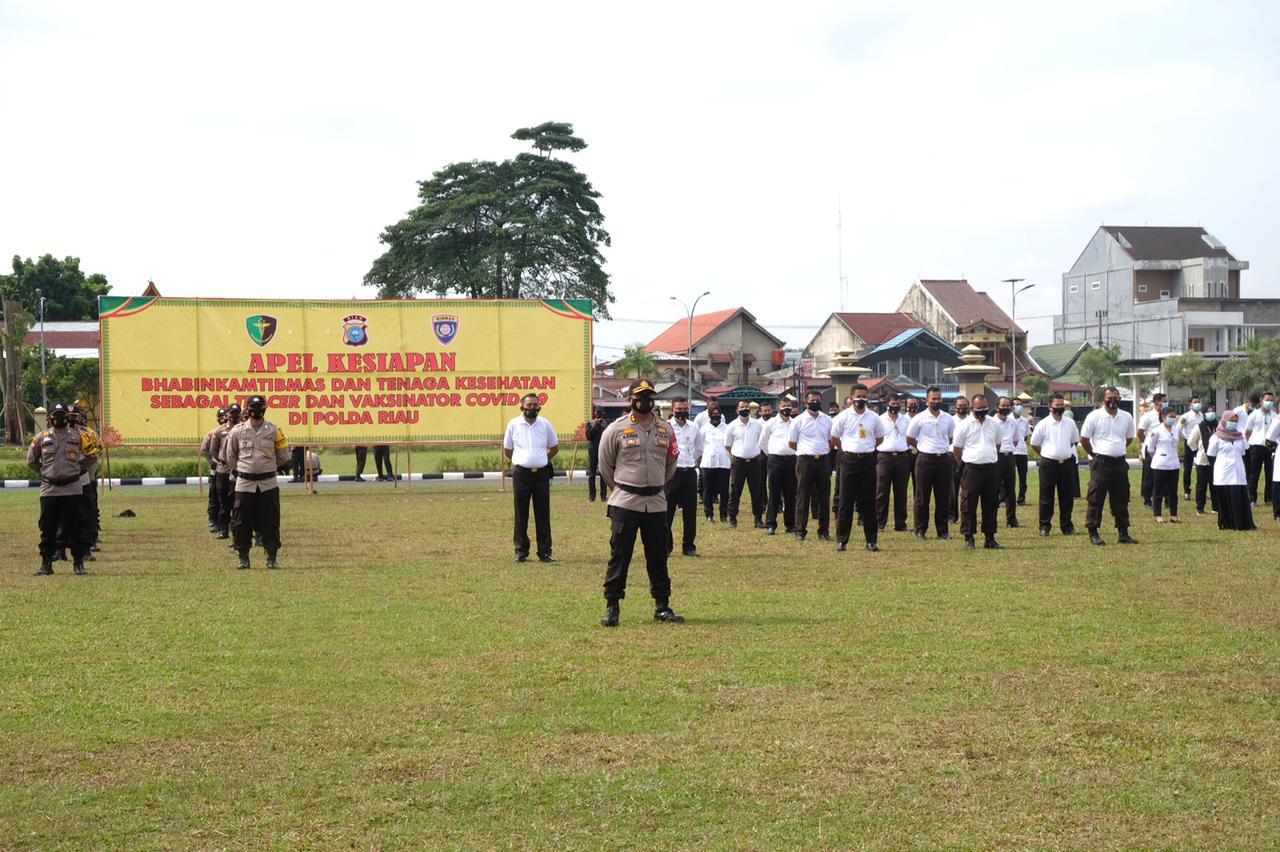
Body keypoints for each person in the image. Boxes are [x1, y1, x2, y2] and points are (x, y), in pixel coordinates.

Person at [598, 380, 683, 627]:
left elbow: (670, 464)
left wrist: (654, 485)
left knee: (658, 555)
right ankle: (612, 606)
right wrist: (624, 488)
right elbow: (606, 465)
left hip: (656, 502)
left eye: (649, 396)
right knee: (620, 554)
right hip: (626, 501)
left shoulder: (665, 429)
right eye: (640, 396)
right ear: (630, 400)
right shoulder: (615, 430)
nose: (644, 400)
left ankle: (662, 606)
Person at [28, 402, 99, 575]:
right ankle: (46, 564)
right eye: (55, 414)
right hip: (49, 489)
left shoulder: (79, 436)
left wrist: (78, 467)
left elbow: (92, 456)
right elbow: (31, 461)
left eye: (62, 414)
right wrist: (47, 472)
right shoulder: (40, 438)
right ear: (49, 417)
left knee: (76, 526)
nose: (59, 417)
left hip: (73, 488)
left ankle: (78, 564)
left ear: (67, 417)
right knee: (48, 527)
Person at [226, 395, 290, 569]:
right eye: (253, 407)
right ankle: (243, 558)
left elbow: (284, 455)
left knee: (271, 520)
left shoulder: (274, 430)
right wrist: (246, 469)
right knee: (241, 521)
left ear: (265, 409)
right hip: (245, 483)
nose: (256, 410)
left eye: (260, 406)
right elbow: (230, 456)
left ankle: (271, 558)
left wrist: (266, 468)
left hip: (268, 483)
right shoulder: (237, 431)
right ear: (247, 410)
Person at [502, 393, 559, 563]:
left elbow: (554, 447)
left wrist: (542, 460)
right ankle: (521, 550)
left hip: (541, 474)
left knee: (543, 513)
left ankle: (545, 552)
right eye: (529, 405)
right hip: (522, 475)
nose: (532, 408)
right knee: (521, 513)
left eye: (535, 405)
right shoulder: (514, 424)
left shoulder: (545, 424)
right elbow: (507, 450)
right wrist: (522, 460)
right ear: (522, 407)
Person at [1080, 386, 1138, 546]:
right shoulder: (1094, 416)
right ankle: (1093, 532)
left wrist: (1117, 449)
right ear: (1102, 400)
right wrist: (1094, 454)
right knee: (1096, 498)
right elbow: (1084, 439)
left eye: (1116, 398)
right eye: (1109, 398)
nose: (1113, 401)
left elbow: (1129, 438)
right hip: (1101, 463)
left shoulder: (1126, 416)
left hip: (1119, 462)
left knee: (1121, 498)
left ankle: (1123, 532)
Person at [830, 383, 884, 551]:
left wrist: (866, 447)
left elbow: (879, 439)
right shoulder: (842, 417)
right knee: (845, 501)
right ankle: (842, 540)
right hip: (849, 461)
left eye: (864, 396)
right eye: (858, 396)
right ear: (852, 397)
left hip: (868, 461)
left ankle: (871, 541)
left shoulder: (874, 417)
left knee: (868, 502)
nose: (861, 399)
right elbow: (834, 439)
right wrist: (848, 449)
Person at [952, 394, 1003, 549]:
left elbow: (998, 445)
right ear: (972, 408)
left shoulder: (994, 423)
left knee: (991, 504)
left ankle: (990, 538)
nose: (982, 411)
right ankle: (969, 538)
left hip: (990, 469)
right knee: (968, 504)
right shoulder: (964, 425)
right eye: (978, 408)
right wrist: (964, 464)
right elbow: (957, 449)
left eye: (984, 408)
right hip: (971, 469)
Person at [906, 386, 954, 540]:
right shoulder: (919, 418)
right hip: (925, 459)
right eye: (933, 399)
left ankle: (942, 530)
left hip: (943, 460)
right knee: (922, 497)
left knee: (943, 496)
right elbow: (910, 438)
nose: (936, 401)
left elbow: (951, 437)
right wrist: (922, 448)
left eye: (938, 398)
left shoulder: (948, 418)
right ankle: (920, 530)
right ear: (927, 400)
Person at [1030, 393, 1080, 536]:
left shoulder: (1070, 423)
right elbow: (1034, 444)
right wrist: (1047, 454)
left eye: (1062, 405)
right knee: (1046, 497)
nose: (1060, 408)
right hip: (1048, 464)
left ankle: (1067, 526)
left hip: (1066, 464)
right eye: (1057, 405)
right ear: (1049, 406)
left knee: (1067, 497)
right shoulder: (1043, 424)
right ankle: (1045, 526)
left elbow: (1073, 441)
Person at [790, 390, 834, 542]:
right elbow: (792, 442)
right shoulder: (799, 420)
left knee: (824, 497)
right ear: (805, 403)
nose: (815, 403)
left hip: (823, 460)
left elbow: (831, 440)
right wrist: (805, 452)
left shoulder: (827, 420)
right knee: (803, 496)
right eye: (812, 400)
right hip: (805, 461)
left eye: (817, 400)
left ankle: (824, 530)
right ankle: (800, 530)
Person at [665, 397, 702, 557]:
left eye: (684, 408)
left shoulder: (694, 427)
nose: (682, 411)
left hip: (689, 472)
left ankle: (689, 546)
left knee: (690, 511)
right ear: (672, 410)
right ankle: (666, 546)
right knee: (667, 511)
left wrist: (689, 461)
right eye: (678, 409)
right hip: (672, 474)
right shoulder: (666, 427)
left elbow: (699, 448)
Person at [1207, 410, 1255, 531]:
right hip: (1223, 472)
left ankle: (1242, 524)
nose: (1233, 423)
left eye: (1235, 421)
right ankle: (1227, 523)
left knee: (1239, 497)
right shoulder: (1216, 437)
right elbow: (1211, 454)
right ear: (1224, 421)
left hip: (1238, 471)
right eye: (1231, 421)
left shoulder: (1240, 437)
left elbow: (1244, 451)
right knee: (1226, 497)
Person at [725, 401, 766, 528]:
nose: (745, 409)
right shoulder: (732, 426)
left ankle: (758, 519)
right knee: (735, 491)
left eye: (747, 407)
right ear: (737, 410)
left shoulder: (757, 425)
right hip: (739, 462)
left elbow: (762, 441)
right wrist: (739, 454)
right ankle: (732, 518)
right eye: (742, 407)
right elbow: (728, 445)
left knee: (757, 491)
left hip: (754, 461)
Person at [876, 394, 912, 533]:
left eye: (898, 403)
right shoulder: (880, 420)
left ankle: (900, 523)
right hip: (884, 457)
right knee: (881, 491)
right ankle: (880, 523)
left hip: (902, 457)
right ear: (887, 404)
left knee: (901, 491)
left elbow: (910, 437)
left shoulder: (905, 420)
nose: (896, 406)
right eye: (893, 403)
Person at [761, 399, 797, 535]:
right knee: (774, 493)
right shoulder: (771, 423)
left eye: (789, 406)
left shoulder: (795, 423)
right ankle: (771, 523)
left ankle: (791, 524)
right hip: (775, 460)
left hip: (792, 460)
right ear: (778, 408)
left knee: (790, 494)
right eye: (784, 406)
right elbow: (763, 442)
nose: (787, 408)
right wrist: (772, 454)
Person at [1144, 406, 1182, 523]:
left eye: (1174, 417)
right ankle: (1158, 515)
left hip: (1174, 464)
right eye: (1170, 417)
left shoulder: (1176, 429)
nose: (1172, 419)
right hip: (1160, 465)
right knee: (1158, 491)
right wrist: (1158, 457)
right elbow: (1150, 448)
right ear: (1163, 417)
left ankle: (1174, 515)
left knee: (1173, 491)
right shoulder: (1156, 431)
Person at [994, 397, 1021, 528]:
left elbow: (1015, 440)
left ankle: (1011, 519)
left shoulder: (1012, 422)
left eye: (1007, 405)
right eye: (1002, 405)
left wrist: (1008, 450)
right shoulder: (991, 422)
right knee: (993, 489)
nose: (1005, 408)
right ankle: (991, 518)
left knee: (1011, 489)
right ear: (996, 407)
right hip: (996, 457)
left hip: (1009, 456)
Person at [1244, 391, 1275, 505]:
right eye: (1267, 400)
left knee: (1270, 473)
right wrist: (1246, 446)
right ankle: (1252, 498)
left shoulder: (1274, 415)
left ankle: (1269, 498)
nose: (1269, 402)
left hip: (1270, 448)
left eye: (1271, 401)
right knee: (1254, 473)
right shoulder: (1254, 414)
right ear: (1262, 401)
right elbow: (1247, 431)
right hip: (1256, 447)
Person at [699, 408, 731, 522]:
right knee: (707, 490)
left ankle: (723, 514)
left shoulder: (727, 428)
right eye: (713, 414)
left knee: (724, 491)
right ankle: (709, 514)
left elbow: (730, 444)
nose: (716, 416)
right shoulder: (703, 429)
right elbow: (699, 445)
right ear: (709, 415)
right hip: (708, 463)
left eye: (718, 414)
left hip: (723, 463)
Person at [1136, 392, 1166, 508]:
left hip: (1163, 448)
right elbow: (1140, 432)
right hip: (1150, 448)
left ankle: (1166, 497)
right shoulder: (1148, 416)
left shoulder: (1167, 415)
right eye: (1164, 400)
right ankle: (1147, 499)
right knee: (1148, 474)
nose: (1165, 403)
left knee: (1165, 473)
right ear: (1158, 402)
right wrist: (1146, 441)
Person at [1187, 404, 1219, 516]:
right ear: (1204, 414)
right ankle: (1200, 508)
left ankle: (1216, 507)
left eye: (1213, 411)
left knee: (1215, 484)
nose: (1211, 413)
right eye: (1209, 411)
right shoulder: (1199, 427)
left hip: (1216, 460)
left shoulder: (1218, 426)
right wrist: (1196, 451)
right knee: (1202, 485)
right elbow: (1190, 442)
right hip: (1203, 460)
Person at [215, 403, 240, 539]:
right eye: (232, 413)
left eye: (237, 413)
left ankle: (237, 529)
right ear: (227, 415)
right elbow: (214, 449)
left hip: (239, 470)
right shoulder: (219, 431)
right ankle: (223, 529)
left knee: (239, 502)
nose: (234, 416)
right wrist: (221, 461)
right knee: (224, 501)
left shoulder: (244, 429)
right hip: (224, 470)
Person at [202, 409, 228, 528]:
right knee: (215, 496)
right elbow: (205, 450)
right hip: (217, 469)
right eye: (221, 417)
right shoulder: (213, 433)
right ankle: (213, 519)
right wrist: (213, 461)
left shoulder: (236, 430)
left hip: (231, 470)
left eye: (225, 416)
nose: (223, 419)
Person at [948, 395, 971, 523]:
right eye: (960, 406)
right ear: (955, 407)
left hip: (968, 457)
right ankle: (952, 515)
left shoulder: (972, 421)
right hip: (953, 456)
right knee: (952, 488)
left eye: (965, 406)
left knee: (968, 488)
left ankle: (967, 513)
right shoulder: (951, 421)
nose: (962, 408)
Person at [1178, 395, 1204, 500]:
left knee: (1202, 466)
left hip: (1200, 444)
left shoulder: (1202, 416)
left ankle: (1201, 490)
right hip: (1189, 443)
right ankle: (1187, 491)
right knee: (1187, 467)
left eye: (1199, 402)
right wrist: (1187, 438)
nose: (1197, 404)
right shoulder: (1185, 417)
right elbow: (1179, 430)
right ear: (1190, 404)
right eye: (1195, 402)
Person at [585, 409, 608, 502]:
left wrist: (602, 425)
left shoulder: (606, 423)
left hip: (603, 450)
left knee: (603, 474)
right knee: (592, 474)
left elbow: (608, 435)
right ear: (594, 413)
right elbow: (589, 436)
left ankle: (603, 496)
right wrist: (595, 425)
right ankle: (592, 497)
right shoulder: (590, 423)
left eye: (601, 413)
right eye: (598, 413)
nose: (599, 416)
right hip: (593, 450)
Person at [1011, 400, 1032, 505]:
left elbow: (1026, 436)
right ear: (1012, 407)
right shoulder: (1008, 419)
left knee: (1023, 477)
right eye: (1017, 405)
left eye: (1021, 405)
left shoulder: (1025, 421)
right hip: (1010, 451)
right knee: (1008, 477)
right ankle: (1005, 498)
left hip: (1022, 452)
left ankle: (1021, 498)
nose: (1019, 407)